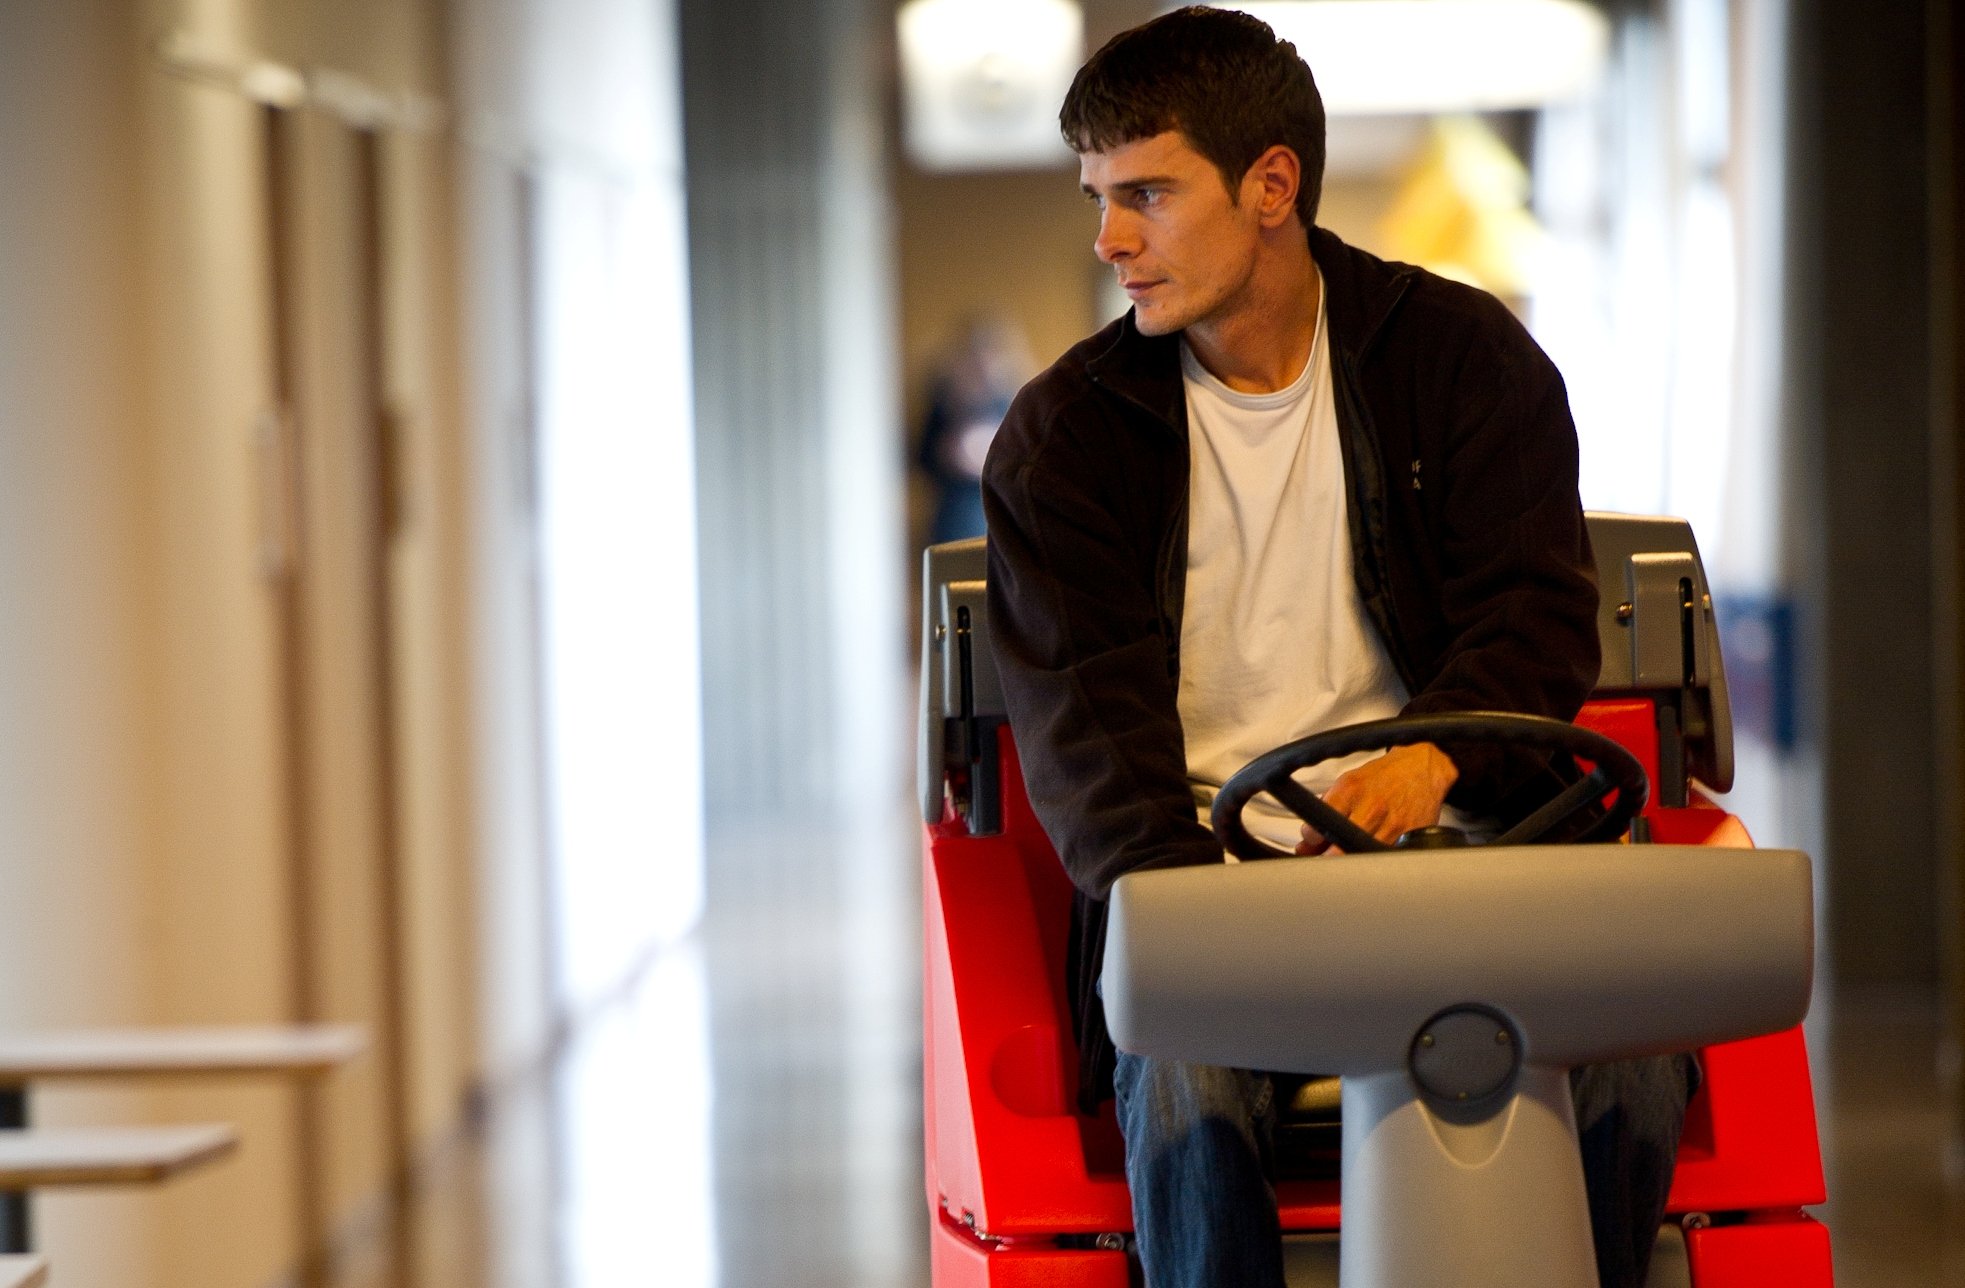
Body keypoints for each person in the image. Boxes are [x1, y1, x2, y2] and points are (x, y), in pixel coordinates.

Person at [978, 9, 1695, 1288]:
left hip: (1468, 863)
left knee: (1637, 1051)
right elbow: (1092, 756)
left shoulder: (1467, 362)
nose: (1110, 238)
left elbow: (1536, 624)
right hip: (1210, 887)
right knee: (1185, 1069)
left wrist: (1434, 759)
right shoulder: (1062, 445)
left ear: (1270, 187)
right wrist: (1202, 914)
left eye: (1146, 191)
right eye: (1099, 195)